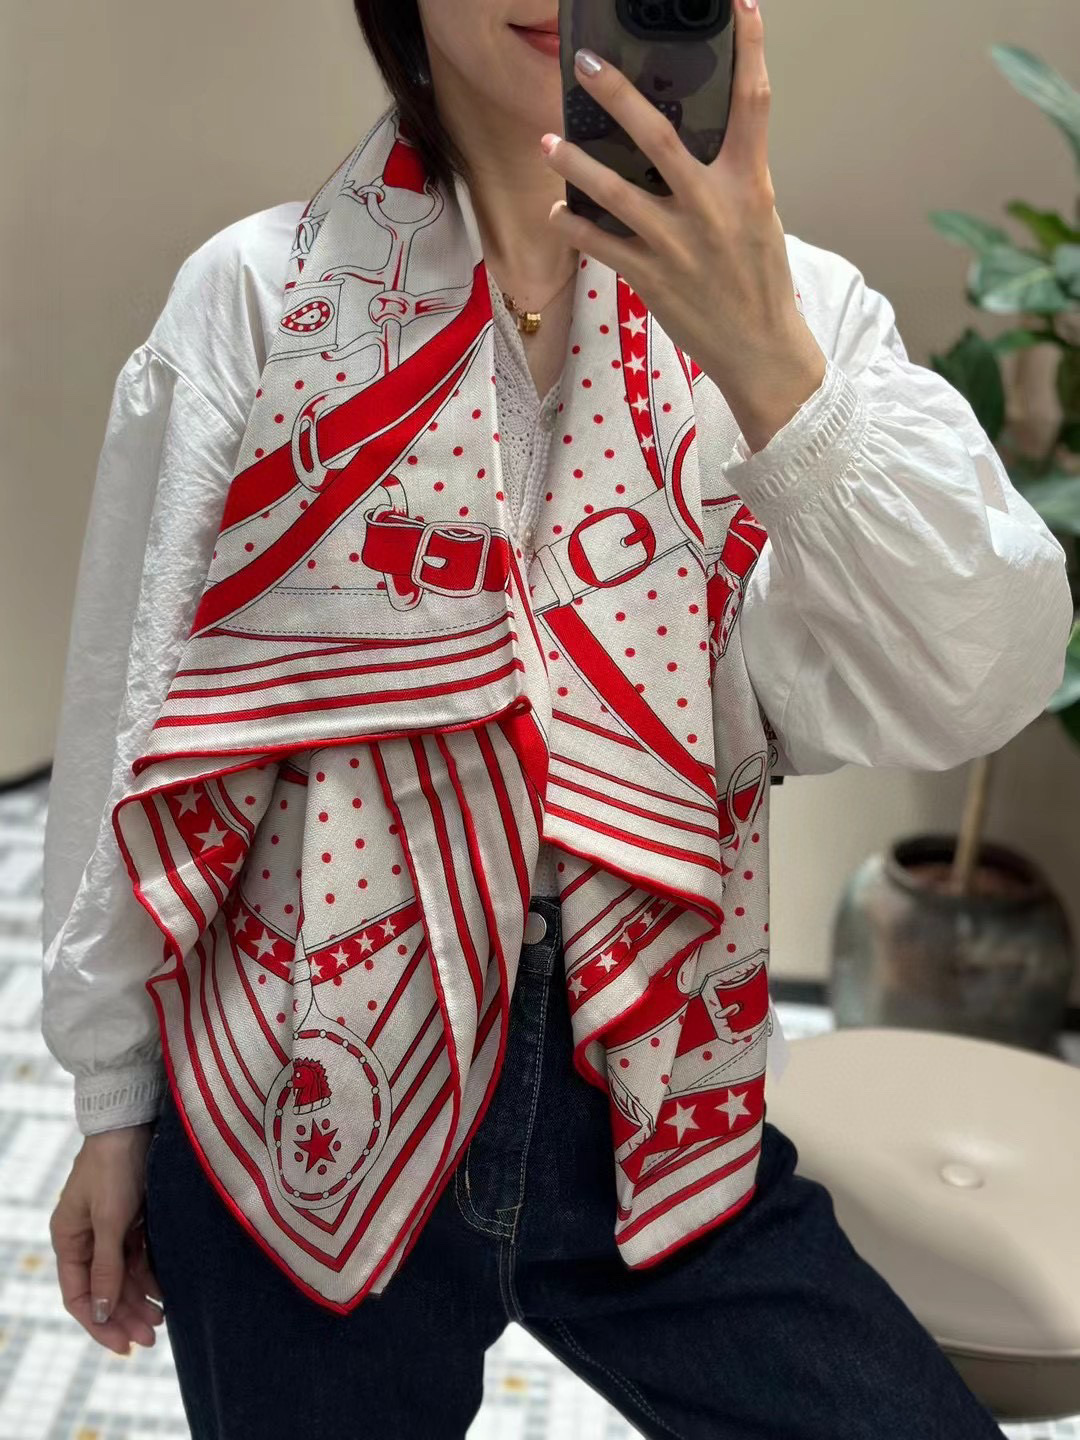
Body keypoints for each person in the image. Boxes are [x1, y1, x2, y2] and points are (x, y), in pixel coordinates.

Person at [41, 0, 1070, 1436]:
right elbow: (129, 713)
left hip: (659, 1079)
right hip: (303, 1088)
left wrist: (774, 367)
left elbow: (986, 675)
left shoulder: (800, 316)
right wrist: (110, 1096)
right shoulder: (259, 299)